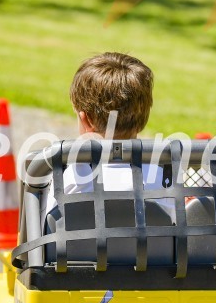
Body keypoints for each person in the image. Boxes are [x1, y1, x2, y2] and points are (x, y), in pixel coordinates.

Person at [43, 52, 166, 216]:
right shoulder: (163, 175)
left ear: (86, 120)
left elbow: (45, 231)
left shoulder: (70, 176)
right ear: (143, 117)